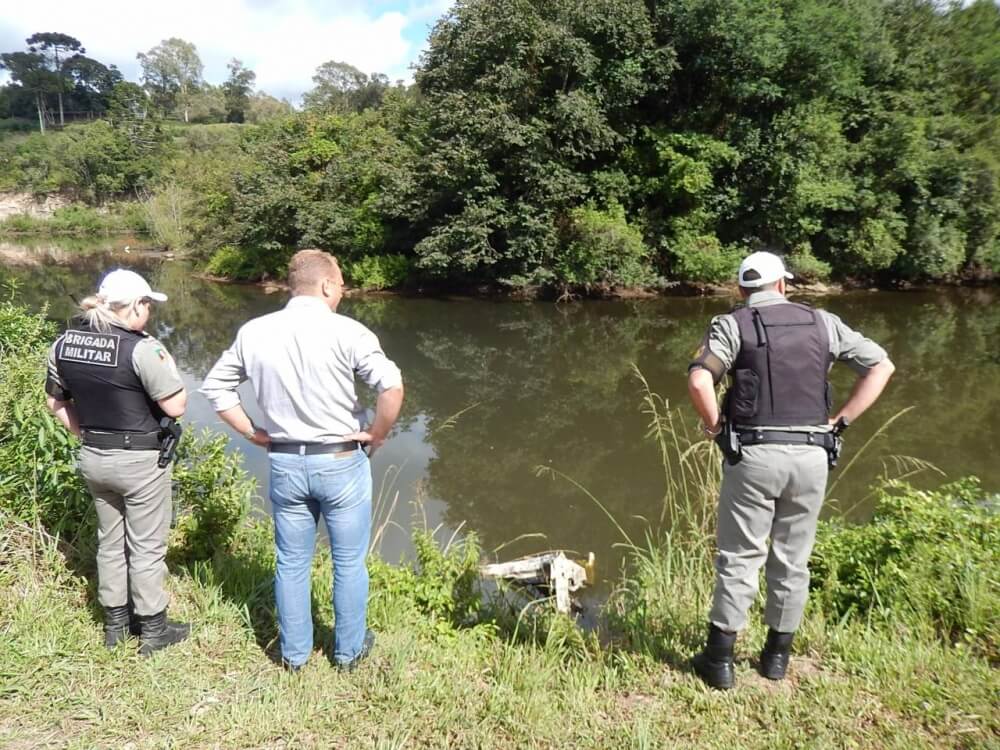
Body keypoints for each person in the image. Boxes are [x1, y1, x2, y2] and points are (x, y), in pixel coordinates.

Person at [686, 251, 895, 689]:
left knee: (740, 557)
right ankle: (776, 659)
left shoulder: (732, 325)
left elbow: (701, 380)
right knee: (792, 559)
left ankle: (719, 662)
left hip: (754, 456)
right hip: (812, 455)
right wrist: (840, 422)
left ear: (742, 290)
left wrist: (716, 428)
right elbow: (881, 365)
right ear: (783, 284)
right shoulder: (823, 323)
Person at [199, 249, 404, 672]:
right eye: (341, 285)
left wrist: (252, 432)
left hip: (286, 463)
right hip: (341, 462)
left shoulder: (254, 332)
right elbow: (391, 386)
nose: (342, 292)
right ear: (326, 285)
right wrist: (378, 434)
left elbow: (216, 389)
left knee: (291, 562)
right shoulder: (350, 331)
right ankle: (348, 653)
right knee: (348, 562)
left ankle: (294, 656)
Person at [45, 268, 191, 656]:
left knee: (110, 542)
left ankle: (116, 627)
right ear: (136, 306)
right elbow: (176, 405)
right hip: (140, 462)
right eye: (148, 305)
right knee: (146, 547)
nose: (150, 313)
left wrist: (86, 435)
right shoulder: (142, 348)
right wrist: (167, 361)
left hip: (94, 457)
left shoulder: (63, 343)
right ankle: (154, 629)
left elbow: (55, 402)